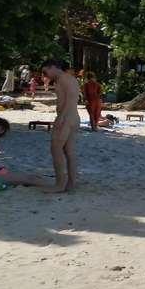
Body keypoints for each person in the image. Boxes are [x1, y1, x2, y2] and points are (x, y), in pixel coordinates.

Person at [40, 59, 80, 193]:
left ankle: (60, 184)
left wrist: (61, 117)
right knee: (69, 151)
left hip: (67, 117)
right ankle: (71, 183)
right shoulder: (69, 79)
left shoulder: (63, 78)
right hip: (73, 117)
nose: (45, 75)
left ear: (53, 67)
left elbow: (71, 98)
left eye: (46, 72)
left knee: (55, 149)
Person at [0, 117, 47, 187]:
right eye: (1, 129)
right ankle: (55, 189)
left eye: (3, 130)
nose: (2, 132)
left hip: (0, 171)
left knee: (35, 176)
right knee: (31, 179)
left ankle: (56, 186)